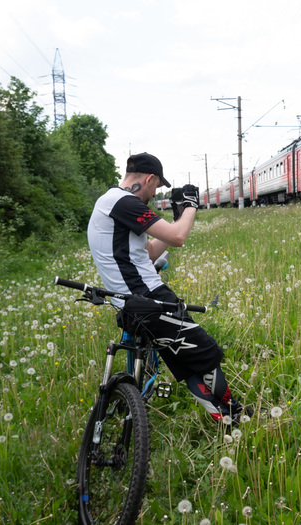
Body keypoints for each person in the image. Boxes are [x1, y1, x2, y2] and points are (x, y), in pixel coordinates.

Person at [87, 152, 246, 427]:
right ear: (149, 178)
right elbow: (179, 237)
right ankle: (235, 415)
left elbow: (148, 253)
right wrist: (192, 207)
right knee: (207, 354)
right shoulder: (124, 202)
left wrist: (176, 217)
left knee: (185, 363)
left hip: (132, 304)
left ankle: (230, 419)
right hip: (150, 300)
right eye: (156, 187)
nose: (153, 193)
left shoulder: (108, 203)